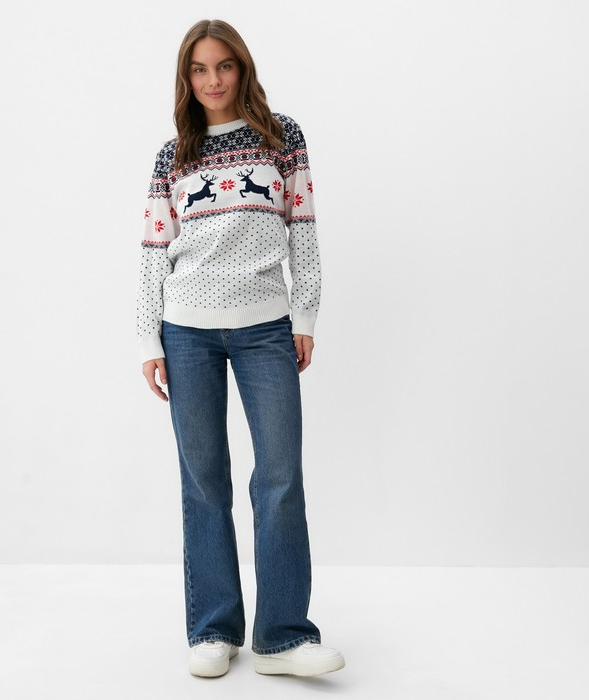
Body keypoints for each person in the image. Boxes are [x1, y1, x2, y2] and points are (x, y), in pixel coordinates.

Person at [136, 18, 344, 679]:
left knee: (279, 478)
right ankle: (213, 628)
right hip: (186, 329)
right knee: (203, 482)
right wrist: (147, 337)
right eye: (199, 69)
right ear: (186, 78)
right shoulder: (174, 156)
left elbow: (303, 229)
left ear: (242, 69)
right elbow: (154, 250)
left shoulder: (281, 137)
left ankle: (283, 636)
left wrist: (304, 314)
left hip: (265, 328)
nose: (213, 80)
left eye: (223, 66)